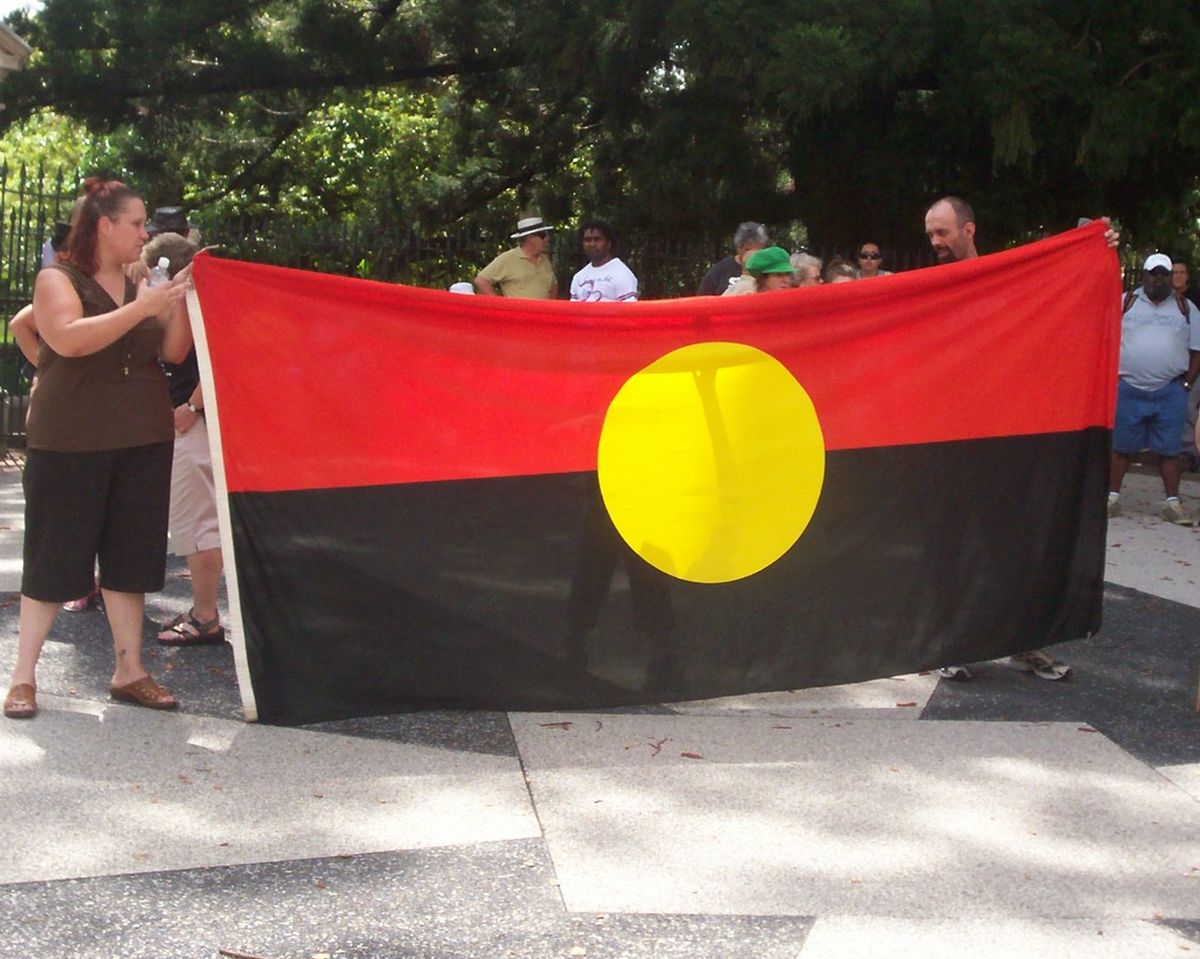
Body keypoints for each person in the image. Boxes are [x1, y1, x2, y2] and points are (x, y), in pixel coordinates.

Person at [3, 177, 192, 720]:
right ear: (105, 226)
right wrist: (141, 307)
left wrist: (174, 298)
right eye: (136, 224)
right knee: (53, 556)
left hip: (142, 436)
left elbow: (176, 352)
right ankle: (23, 678)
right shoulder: (56, 279)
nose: (145, 234)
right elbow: (68, 339)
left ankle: (129, 670)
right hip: (70, 439)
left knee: (131, 558)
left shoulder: (144, 280)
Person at [920, 195, 1120, 683]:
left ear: (969, 230)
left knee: (1018, 542)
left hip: (1005, 435)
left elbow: (1066, 295)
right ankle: (951, 643)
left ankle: (1024, 643)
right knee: (954, 545)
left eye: (943, 232)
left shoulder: (1005, 280)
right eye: (929, 234)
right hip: (948, 440)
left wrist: (1096, 250)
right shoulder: (925, 289)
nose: (935, 242)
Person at [144, 232, 227, 647]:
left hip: (192, 422)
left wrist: (191, 408)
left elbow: (191, 357)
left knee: (200, 524)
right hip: (194, 419)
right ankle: (204, 612)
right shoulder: (199, 298)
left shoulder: (193, 302)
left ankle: (206, 616)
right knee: (201, 520)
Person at [1106, 253, 1200, 524]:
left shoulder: (1186, 308)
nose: (1158, 279)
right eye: (1153, 274)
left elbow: (1197, 351)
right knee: (1122, 447)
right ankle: (1111, 498)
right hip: (1129, 388)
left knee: (1170, 451)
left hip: (1170, 391)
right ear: (1144, 275)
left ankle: (1172, 503)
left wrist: (1186, 384)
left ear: (1172, 277)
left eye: (1163, 274)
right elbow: (1107, 338)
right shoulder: (1125, 303)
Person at [474, 216, 557, 299]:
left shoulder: (545, 260)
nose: (547, 239)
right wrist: (499, 303)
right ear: (530, 238)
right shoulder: (508, 258)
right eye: (542, 236)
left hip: (542, 311)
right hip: (518, 311)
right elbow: (481, 280)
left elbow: (553, 286)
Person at [569, 220, 638, 302]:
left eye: (597, 239)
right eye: (587, 240)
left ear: (609, 243)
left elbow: (627, 310)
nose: (592, 244)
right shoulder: (579, 277)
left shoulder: (622, 274)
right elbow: (573, 310)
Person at [697, 222, 769, 295]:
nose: (753, 255)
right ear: (738, 248)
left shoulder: (770, 270)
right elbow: (703, 300)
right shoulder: (719, 272)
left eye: (758, 251)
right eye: (748, 250)